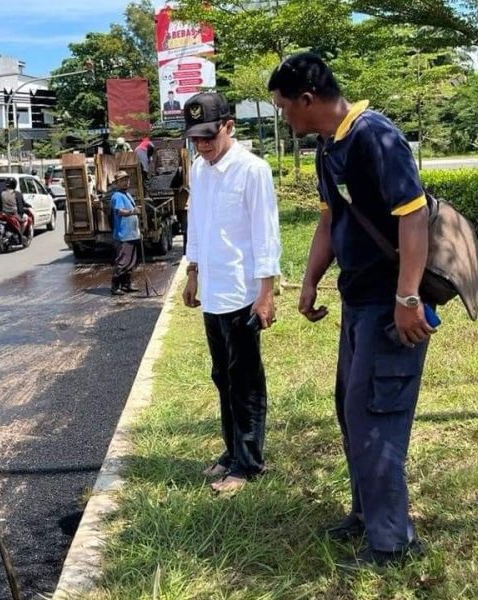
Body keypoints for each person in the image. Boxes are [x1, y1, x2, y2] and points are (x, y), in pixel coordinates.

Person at [268, 53, 434, 568]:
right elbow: (330, 221)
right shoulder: (328, 147)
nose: (282, 117)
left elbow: (415, 215)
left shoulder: (375, 137)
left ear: (307, 100)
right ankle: (367, 515)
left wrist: (407, 296)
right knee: (352, 411)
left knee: (377, 419)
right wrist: (310, 281)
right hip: (357, 304)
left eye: (282, 107)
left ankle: (393, 545)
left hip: (391, 308)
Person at [181, 92, 281, 493]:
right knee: (222, 375)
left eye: (209, 136)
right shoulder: (200, 171)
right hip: (214, 289)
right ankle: (231, 452)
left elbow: (266, 234)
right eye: (196, 139)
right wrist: (192, 273)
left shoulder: (252, 170)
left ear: (229, 127)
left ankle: (249, 462)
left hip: (243, 292)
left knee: (245, 380)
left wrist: (267, 292)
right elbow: (197, 226)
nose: (203, 145)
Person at [110, 170, 141, 296]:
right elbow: (120, 211)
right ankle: (115, 286)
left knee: (131, 261)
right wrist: (133, 211)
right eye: (122, 180)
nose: (125, 182)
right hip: (123, 235)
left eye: (127, 180)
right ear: (116, 183)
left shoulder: (126, 194)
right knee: (123, 261)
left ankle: (126, 285)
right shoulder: (117, 196)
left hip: (132, 233)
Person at [0, 178, 30, 244]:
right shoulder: (17, 193)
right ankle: (21, 233)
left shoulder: (2, 193)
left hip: (4, 215)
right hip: (14, 215)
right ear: (14, 185)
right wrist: (21, 213)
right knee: (26, 218)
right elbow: (20, 205)